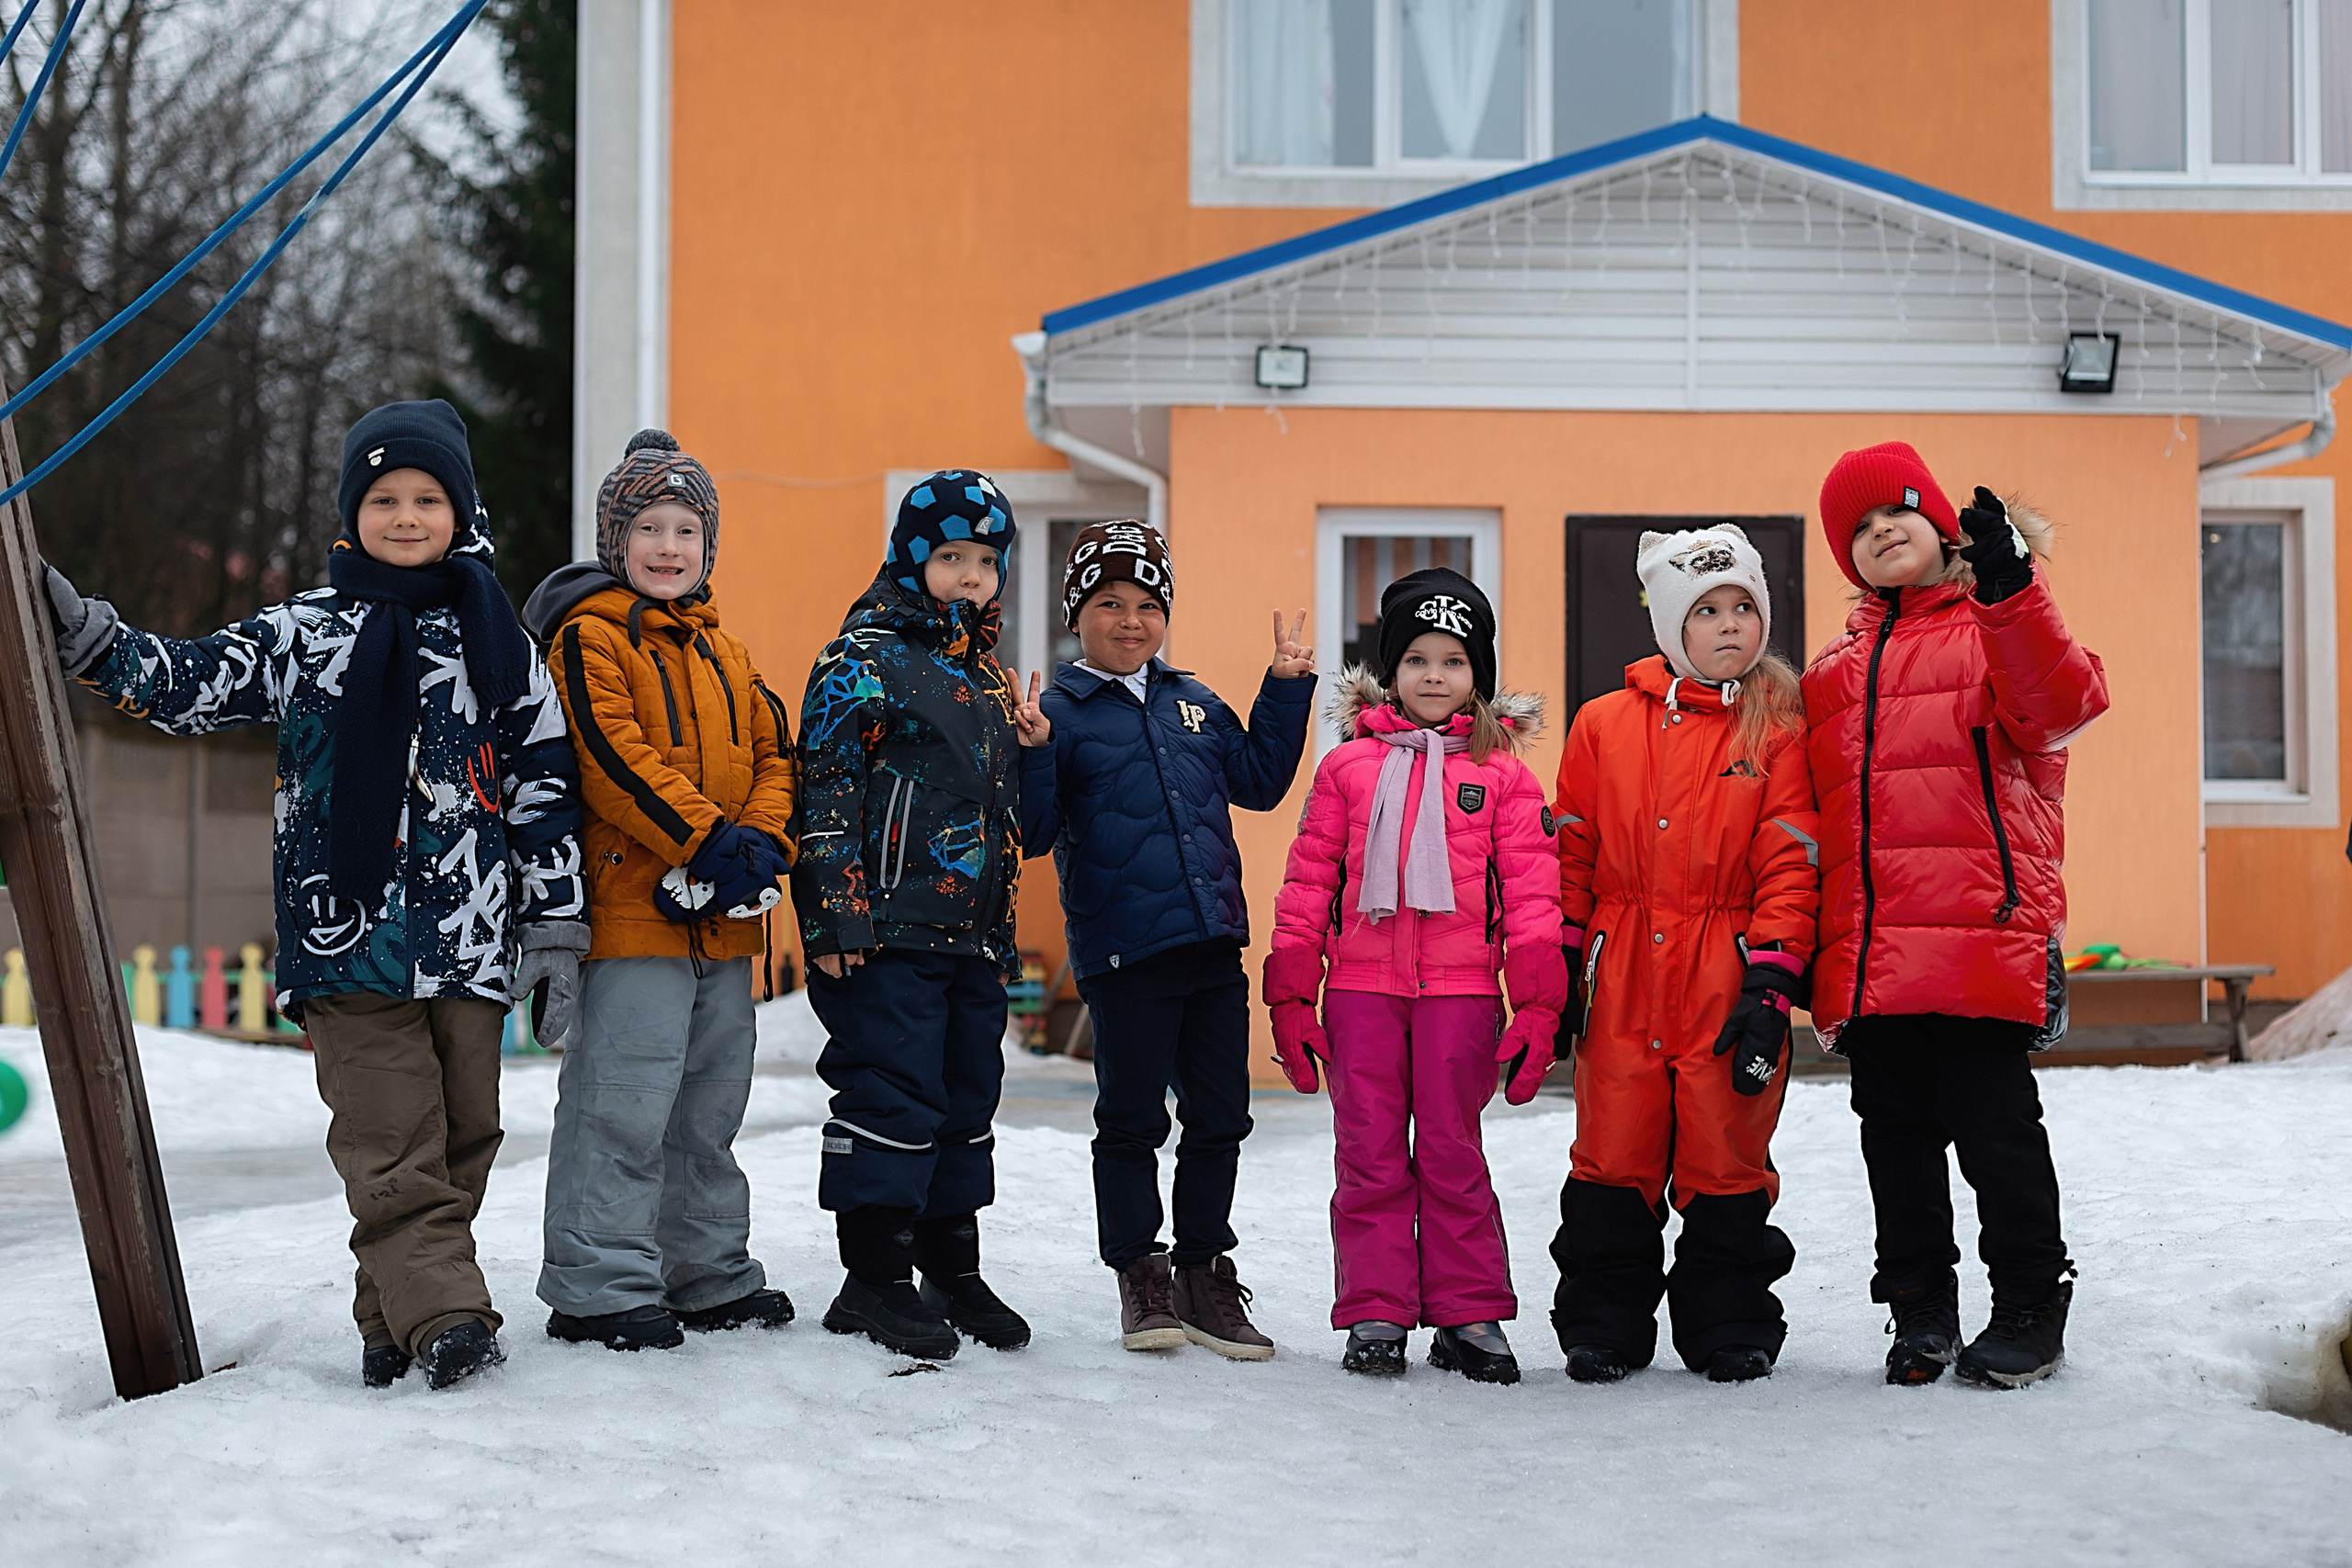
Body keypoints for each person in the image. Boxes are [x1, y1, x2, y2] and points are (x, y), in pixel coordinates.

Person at [41, 400, 587, 1391]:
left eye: (427, 499)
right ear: (352, 515)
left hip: (470, 940)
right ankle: (450, 1318)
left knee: (462, 1138)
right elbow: (191, 683)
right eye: (384, 500)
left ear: (462, 514)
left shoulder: (502, 644)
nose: (406, 516)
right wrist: (93, 640)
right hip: (347, 939)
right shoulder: (305, 631)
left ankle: (391, 1322)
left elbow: (544, 785)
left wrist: (555, 919)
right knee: (392, 1142)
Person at [1806, 441, 2108, 1388]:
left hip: (1982, 931)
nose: (1879, 531)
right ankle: (1920, 1312)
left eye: (1895, 511)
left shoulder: (1998, 629)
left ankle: (2029, 1305)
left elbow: (2062, 705)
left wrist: (2012, 589)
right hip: (1873, 951)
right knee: (1894, 1143)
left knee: (1996, 1134)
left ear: (1941, 525)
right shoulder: (1831, 671)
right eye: (1857, 528)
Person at [523, 429, 798, 1353]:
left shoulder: (729, 653)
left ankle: (705, 1272)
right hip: (634, 913)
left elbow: (775, 755)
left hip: (722, 922)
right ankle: (598, 1285)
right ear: (617, 540)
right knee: (623, 1100)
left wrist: (759, 843)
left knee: (709, 1105)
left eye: (686, 529)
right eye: (649, 528)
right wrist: (708, 838)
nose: (669, 547)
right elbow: (611, 758)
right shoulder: (588, 638)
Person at [1016, 521, 1316, 1358]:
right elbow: (1032, 834)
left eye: (1148, 605)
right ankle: (1141, 1275)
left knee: (1221, 1118)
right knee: (1132, 1122)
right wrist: (1032, 753)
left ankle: (1202, 1272)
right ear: (1077, 614)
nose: (1130, 620)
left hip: (1211, 942)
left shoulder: (1193, 700)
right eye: (1110, 603)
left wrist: (1284, 689)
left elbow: (1258, 781)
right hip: (1126, 953)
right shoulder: (1058, 714)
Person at [1264, 569, 1566, 1383]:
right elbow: (1308, 885)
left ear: (1478, 675)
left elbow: (1533, 900)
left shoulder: (1503, 776)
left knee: (1451, 1152)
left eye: (1454, 661)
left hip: (1460, 996)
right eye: (1418, 659)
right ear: (1390, 670)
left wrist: (1539, 1007)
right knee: (1368, 1153)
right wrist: (1291, 995)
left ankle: (1469, 1313)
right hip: (1361, 992)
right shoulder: (1347, 768)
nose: (1435, 676)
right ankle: (1378, 1309)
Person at [1547, 525, 1818, 1386]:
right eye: (1707, 610)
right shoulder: (1602, 724)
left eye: (1744, 606)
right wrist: (1557, 966)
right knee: (1613, 1148)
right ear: (1671, 626)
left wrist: (1771, 982)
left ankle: (1729, 1321)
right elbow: (1572, 853)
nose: (1730, 623)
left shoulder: (1776, 729)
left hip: (1724, 972)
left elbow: (1790, 861)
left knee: (1724, 1148)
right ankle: (1603, 1324)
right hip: (1621, 967)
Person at [793, 469, 1029, 1360]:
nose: (971, 575)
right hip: (885, 929)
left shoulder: (989, 679)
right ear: (912, 556)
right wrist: (835, 918)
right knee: (892, 1093)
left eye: (987, 561)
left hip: (972, 933)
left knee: (966, 1097)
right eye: (953, 556)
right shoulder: (860, 657)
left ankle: (951, 1267)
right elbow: (825, 790)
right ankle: (874, 1278)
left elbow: (1004, 817)